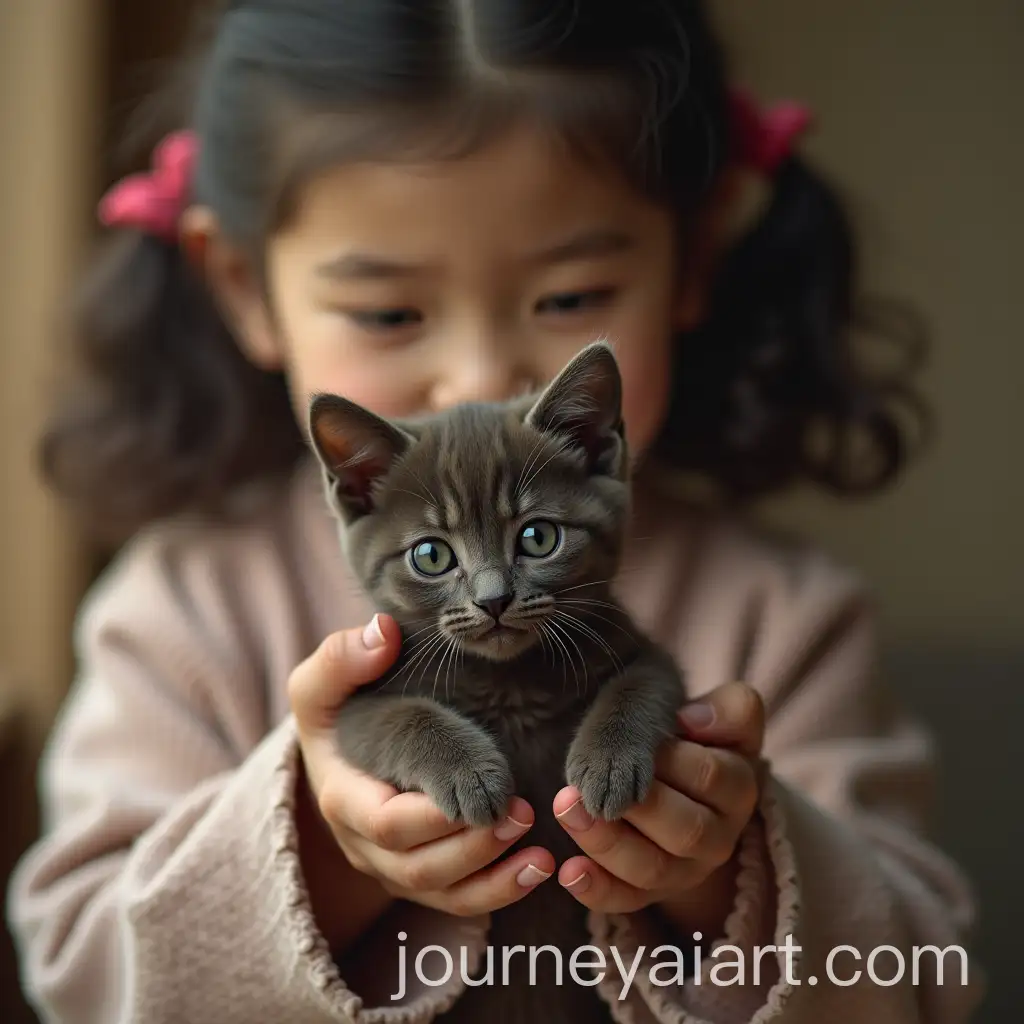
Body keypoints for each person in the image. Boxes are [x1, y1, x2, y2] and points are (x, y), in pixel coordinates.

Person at [6, 2, 982, 1022]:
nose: (478, 375)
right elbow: (81, 970)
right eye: (389, 311)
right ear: (245, 287)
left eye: (569, 297)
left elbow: (921, 979)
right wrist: (323, 855)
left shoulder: (786, 616)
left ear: (690, 262)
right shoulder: (185, 609)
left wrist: (725, 869)